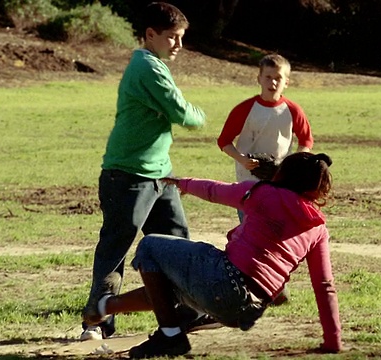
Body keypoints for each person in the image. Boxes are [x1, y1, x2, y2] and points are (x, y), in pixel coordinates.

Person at [82, 152, 343, 359]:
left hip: (225, 282)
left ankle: (170, 336)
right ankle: (104, 307)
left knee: (150, 246)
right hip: (250, 310)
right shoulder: (318, 228)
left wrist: (182, 183)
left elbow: (216, 191)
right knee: (169, 288)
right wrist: (333, 340)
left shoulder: (264, 193)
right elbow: (324, 285)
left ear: (282, 174)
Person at [80, 2, 208, 341]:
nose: (178, 45)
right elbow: (184, 114)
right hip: (127, 175)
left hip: (160, 173)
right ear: (150, 35)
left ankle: (186, 312)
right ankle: (96, 323)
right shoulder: (147, 67)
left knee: (176, 243)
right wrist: (199, 114)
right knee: (116, 248)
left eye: (181, 37)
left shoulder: (155, 63)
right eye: (172, 37)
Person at [217, 53, 314, 222]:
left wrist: (291, 164)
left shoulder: (293, 110)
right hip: (247, 177)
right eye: (268, 77)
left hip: (280, 177)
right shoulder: (245, 109)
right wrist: (241, 159)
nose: (273, 82)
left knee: (275, 223)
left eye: (278, 78)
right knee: (249, 223)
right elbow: (224, 140)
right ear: (259, 79)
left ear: (287, 82)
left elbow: (306, 140)